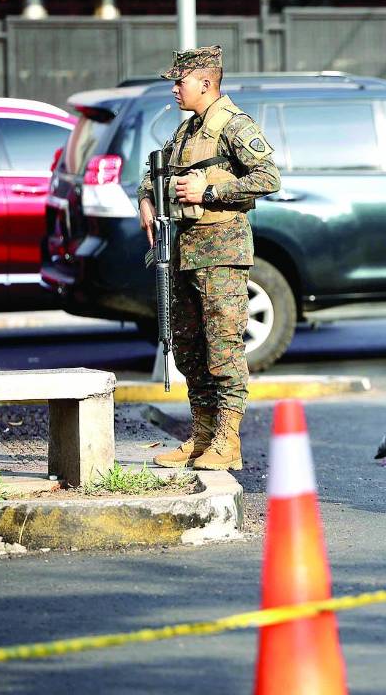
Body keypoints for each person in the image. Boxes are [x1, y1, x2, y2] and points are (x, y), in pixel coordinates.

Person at [138, 45, 280, 471]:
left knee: (223, 348)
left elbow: (268, 176)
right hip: (183, 250)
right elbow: (157, 170)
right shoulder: (187, 131)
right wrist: (146, 197)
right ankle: (201, 436)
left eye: (179, 82)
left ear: (205, 82)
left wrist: (211, 192)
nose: (174, 91)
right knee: (188, 347)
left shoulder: (233, 125)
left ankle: (227, 440)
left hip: (221, 251)